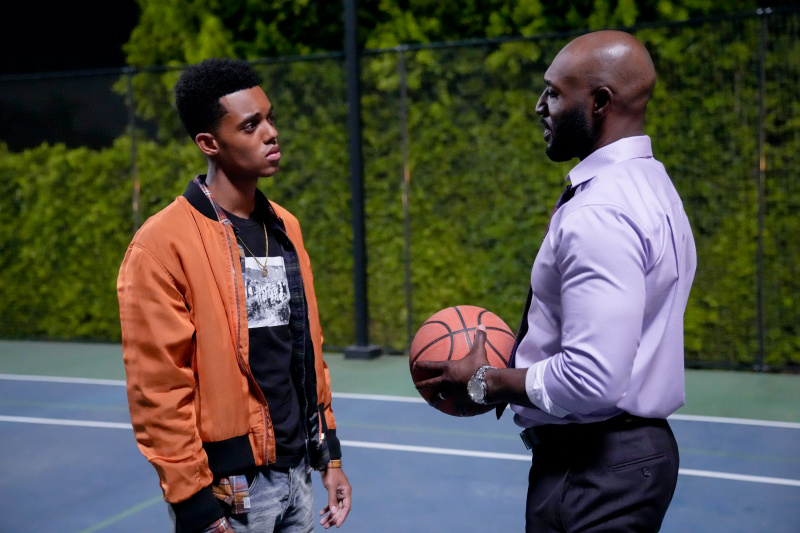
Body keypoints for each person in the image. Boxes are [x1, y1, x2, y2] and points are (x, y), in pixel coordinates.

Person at [414, 30, 696, 532]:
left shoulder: (601, 211)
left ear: (600, 102)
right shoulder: (651, 182)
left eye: (554, 92)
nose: (539, 106)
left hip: (593, 467)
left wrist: (486, 382)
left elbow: (592, 380)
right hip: (624, 460)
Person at [117, 58, 352, 533]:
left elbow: (306, 351)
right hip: (231, 492)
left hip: (298, 474)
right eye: (251, 125)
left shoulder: (285, 228)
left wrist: (329, 455)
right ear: (210, 143)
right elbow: (159, 390)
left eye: (269, 117)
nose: (271, 132)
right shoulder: (160, 245)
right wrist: (193, 504)